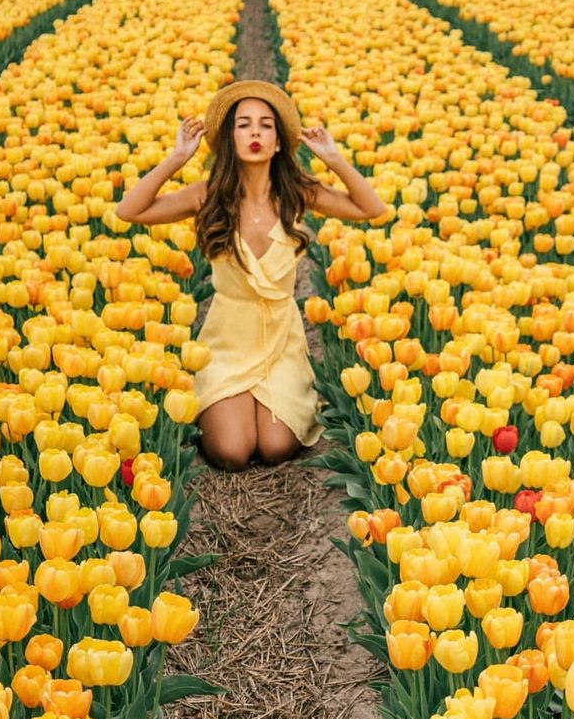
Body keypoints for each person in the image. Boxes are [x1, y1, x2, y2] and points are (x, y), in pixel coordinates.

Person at [115, 79, 387, 472]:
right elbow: (130, 211)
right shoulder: (208, 194)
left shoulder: (296, 193)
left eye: (265, 125)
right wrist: (176, 159)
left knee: (276, 446)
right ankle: (234, 403)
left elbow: (370, 208)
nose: (255, 132)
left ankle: (268, 398)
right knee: (233, 452)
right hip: (228, 339)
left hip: (281, 339)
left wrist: (333, 160)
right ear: (230, 139)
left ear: (278, 142)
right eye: (243, 125)